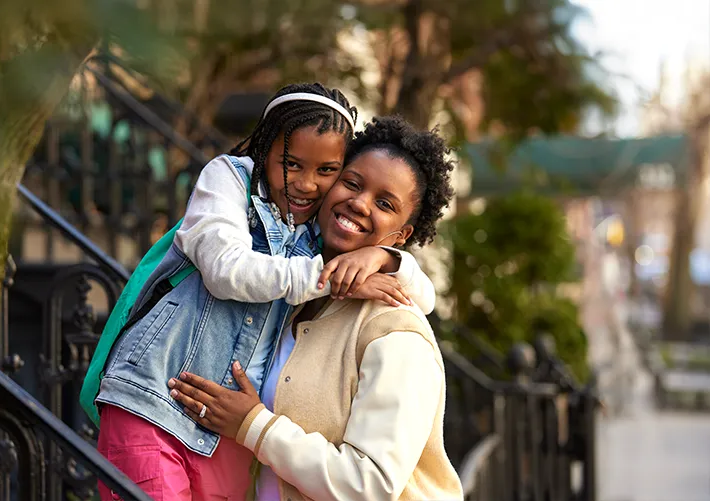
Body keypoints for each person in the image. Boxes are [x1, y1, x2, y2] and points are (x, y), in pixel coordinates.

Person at [92, 85, 434, 500]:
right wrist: (331, 274)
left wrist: (388, 260)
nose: (308, 184)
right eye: (292, 164)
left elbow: (424, 298)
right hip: (156, 399)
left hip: (226, 435)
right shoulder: (231, 184)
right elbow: (226, 269)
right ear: (265, 150)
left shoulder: (323, 245)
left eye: (327, 170)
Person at [168, 116, 463, 501]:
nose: (359, 202)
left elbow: (369, 484)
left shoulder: (395, 332)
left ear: (402, 235)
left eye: (385, 203)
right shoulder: (289, 292)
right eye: (352, 183)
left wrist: (253, 425)